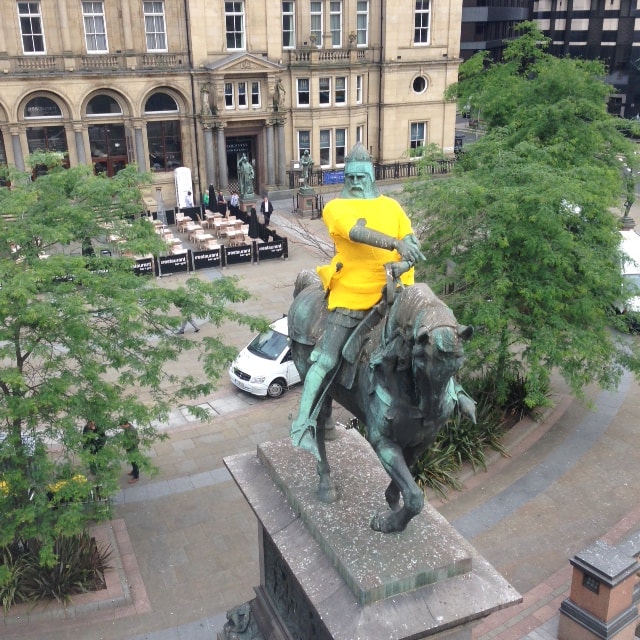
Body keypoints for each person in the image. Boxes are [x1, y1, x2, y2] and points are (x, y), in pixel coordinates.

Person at [290, 142, 425, 460]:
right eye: (349, 175)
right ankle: (303, 424)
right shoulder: (335, 207)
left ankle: (449, 392)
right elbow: (356, 233)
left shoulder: (392, 206)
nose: (355, 180)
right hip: (353, 291)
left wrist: (403, 262)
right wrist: (395, 243)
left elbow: (412, 242)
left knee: (432, 337)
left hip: (397, 291)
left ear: (372, 175)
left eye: (361, 175)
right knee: (324, 359)